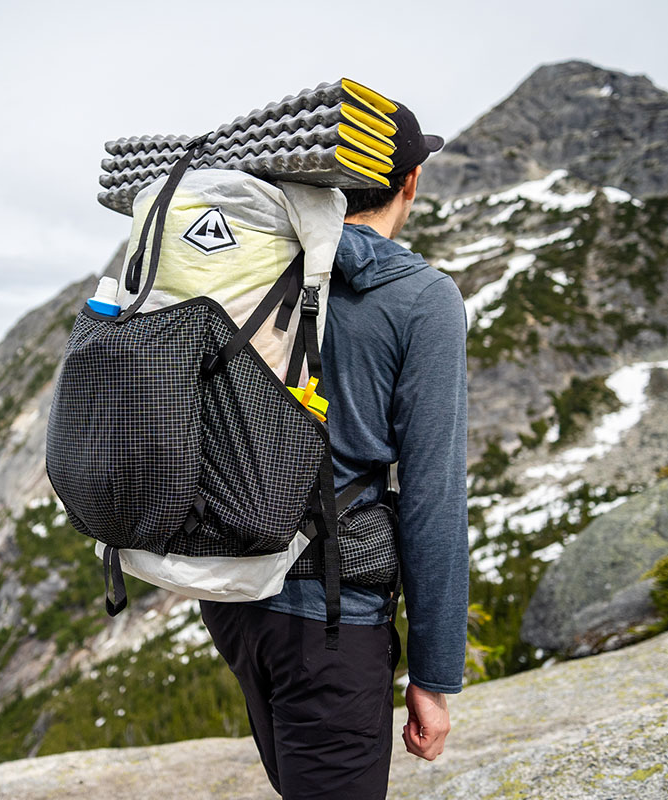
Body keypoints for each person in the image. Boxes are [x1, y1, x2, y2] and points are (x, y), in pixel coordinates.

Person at [200, 100, 469, 799]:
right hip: (329, 621)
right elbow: (434, 495)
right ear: (410, 182)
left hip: (231, 594)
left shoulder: (259, 265)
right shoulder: (420, 298)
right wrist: (434, 677)